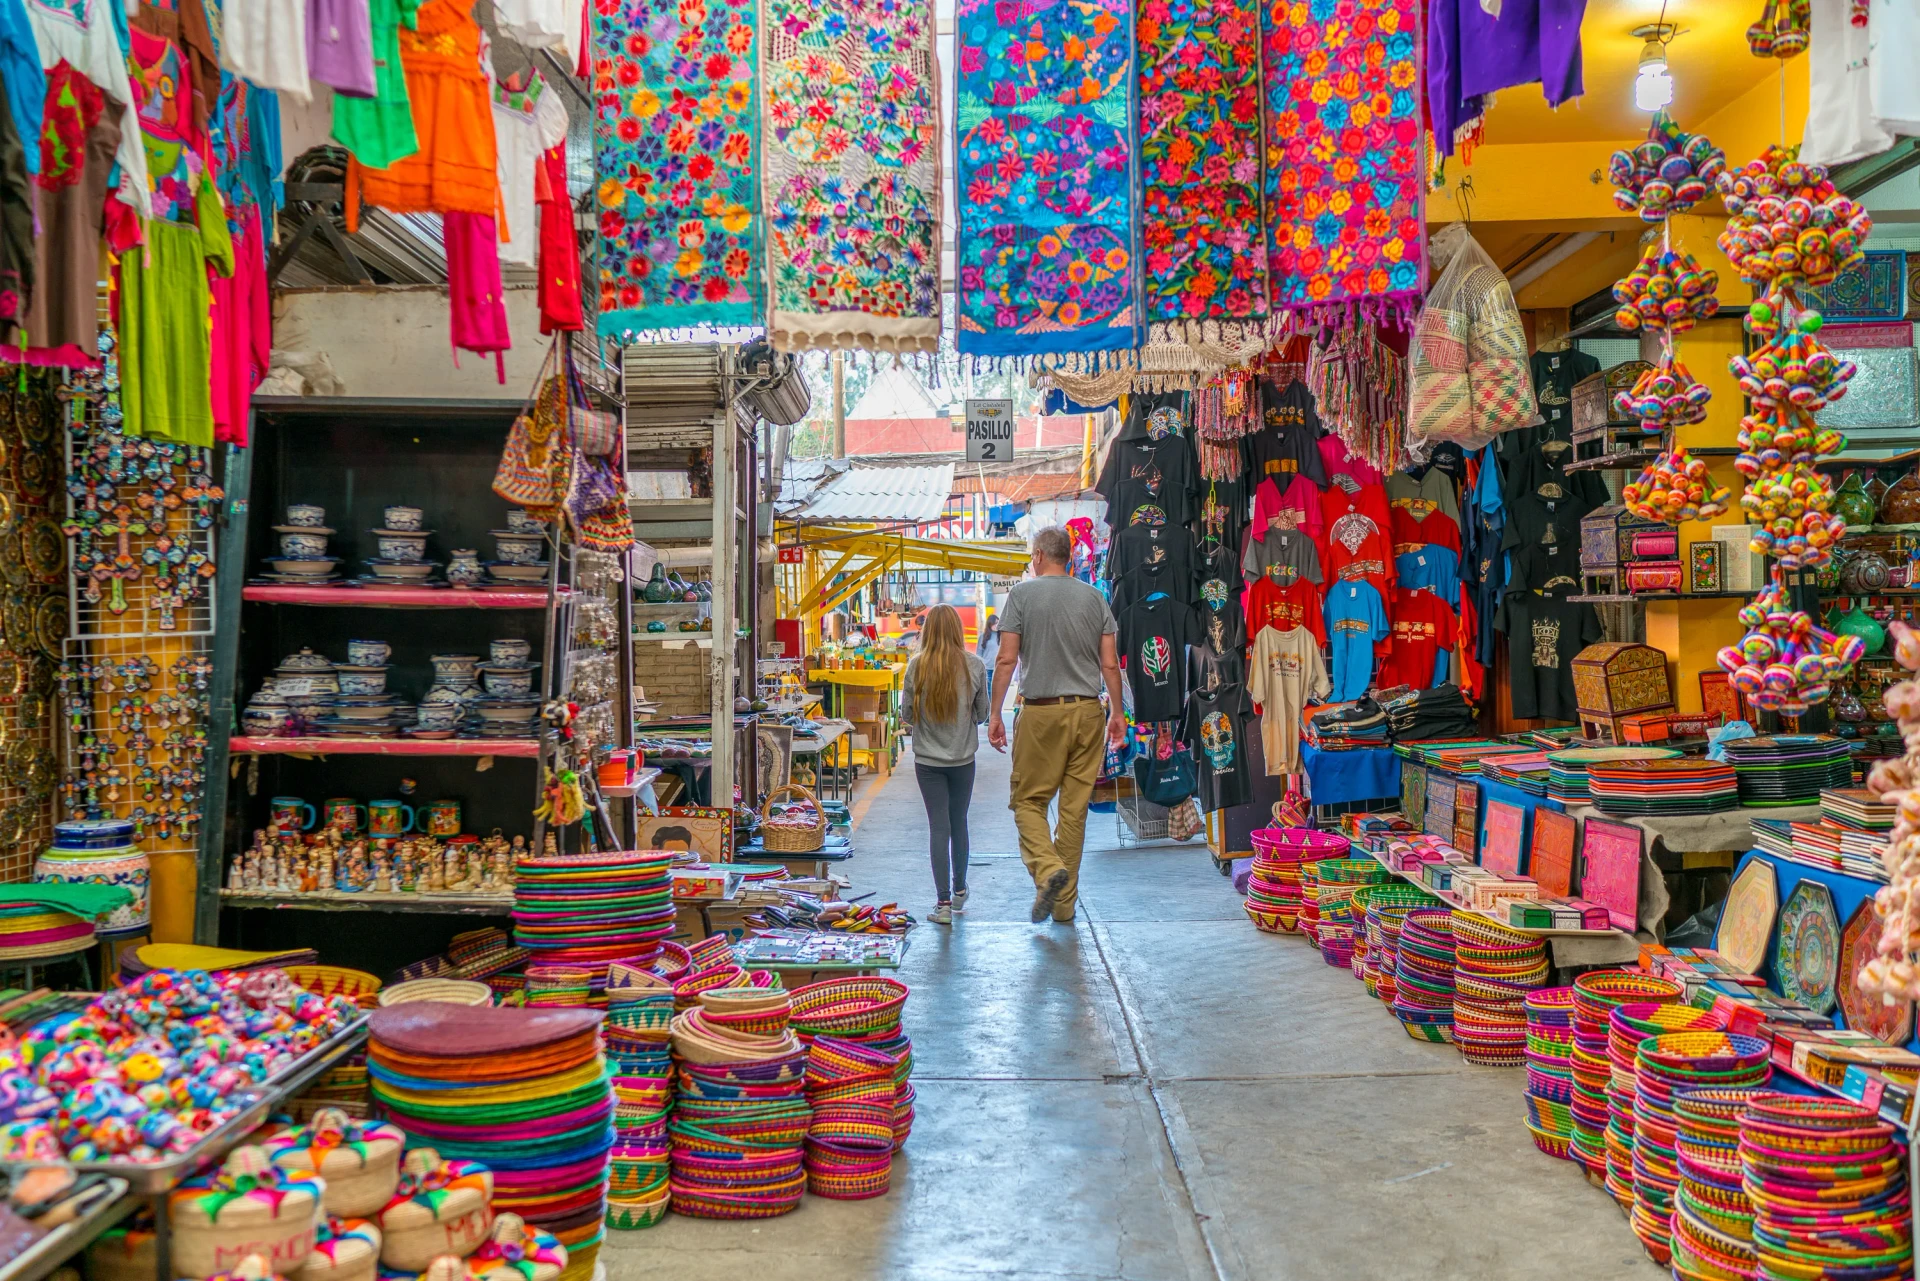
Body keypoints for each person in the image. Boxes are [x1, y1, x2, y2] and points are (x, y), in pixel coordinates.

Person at [988, 526, 1126, 925]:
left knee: (1028, 802)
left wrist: (995, 712)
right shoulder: (1095, 597)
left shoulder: (1022, 595)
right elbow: (1110, 664)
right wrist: (1116, 713)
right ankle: (1064, 906)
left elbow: (1006, 660)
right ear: (1068, 557)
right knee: (1073, 812)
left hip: (1041, 713)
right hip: (1088, 713)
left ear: (1038, 555)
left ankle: (1048, 872)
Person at [900, 604, 989, 925]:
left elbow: (906, 715)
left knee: (939, 827)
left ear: (927, 631)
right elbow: (983, 714)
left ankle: (943, 905)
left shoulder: (916, 666)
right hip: (963, 759)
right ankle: (960, 888)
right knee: (959, 821)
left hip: (927, 761)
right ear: (956, 630)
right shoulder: (975, 665)